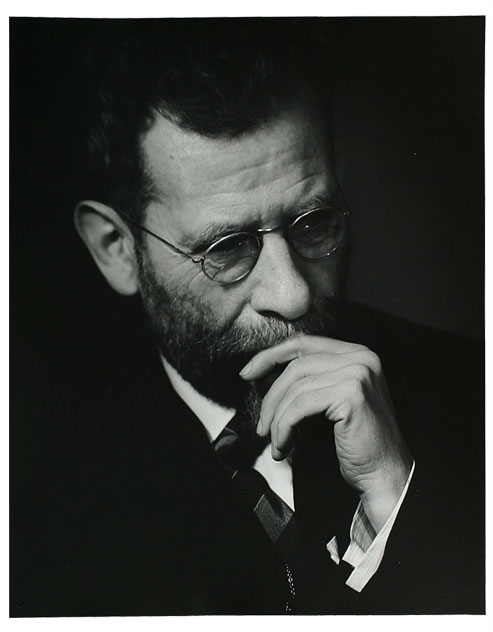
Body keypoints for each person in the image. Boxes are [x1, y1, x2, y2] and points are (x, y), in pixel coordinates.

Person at [10, 19, 484, 616]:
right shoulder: (31, 499)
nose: (292, 297)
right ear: (117, 247)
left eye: (313, 222)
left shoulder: (473, 392)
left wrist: (399, 503)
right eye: (226, 247)